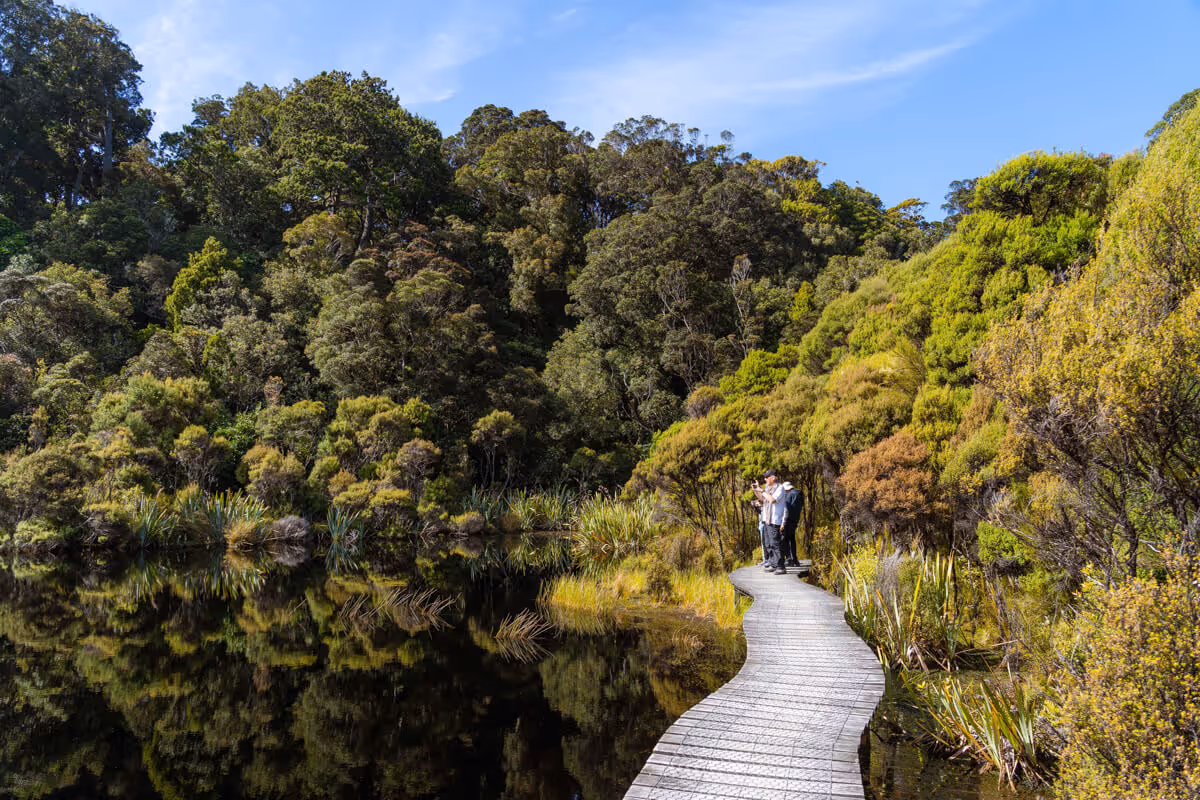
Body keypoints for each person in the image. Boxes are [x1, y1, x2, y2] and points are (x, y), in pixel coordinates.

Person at [752, 469, 787, 575]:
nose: (765, 479)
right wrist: (756, 490)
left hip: (775, 520)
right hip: (767, 520)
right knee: (769, 544)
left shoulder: (780, 488)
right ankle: (773, 563)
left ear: (773, 477)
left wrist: (761, 490)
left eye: (767, 477)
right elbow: (763, 498)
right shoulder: (767, 487)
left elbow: (772, 500)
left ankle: (781, 566)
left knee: (776, 544)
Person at [780, 480, 803, 567]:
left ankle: (789, 559)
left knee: (785, 540)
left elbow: (786, 509)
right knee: (792, 540)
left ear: (787, 489)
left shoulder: (789, 495)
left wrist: (783, 522)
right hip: (795, 521)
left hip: (787, 521)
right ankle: (795, 560)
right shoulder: (799, 494)